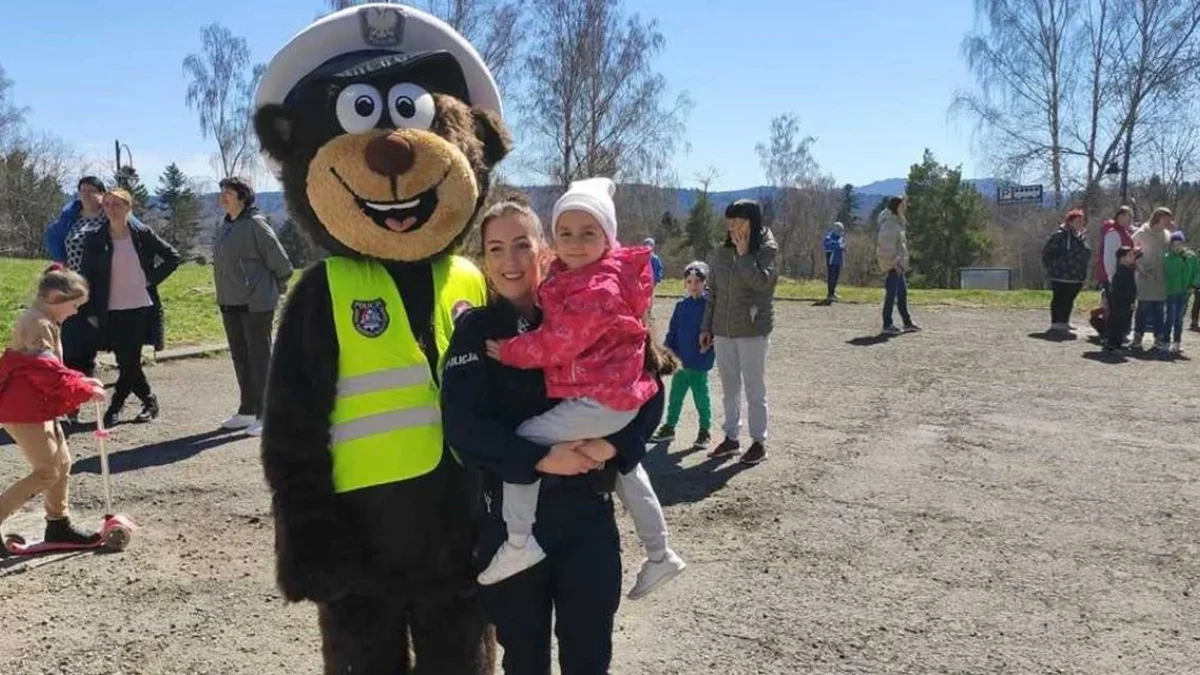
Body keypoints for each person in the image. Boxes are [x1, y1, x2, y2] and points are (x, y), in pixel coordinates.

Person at [441, 196, 669, 673]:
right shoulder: (477, 333)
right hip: (512, 524)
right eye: (496, 249)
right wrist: (539, 459)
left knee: (589, 658)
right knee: (525, 661)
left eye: (522, 245)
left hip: (587, 514)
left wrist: (617, 446)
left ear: (543, 250)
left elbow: (649, 390)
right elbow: (464, 428)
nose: (510, 261)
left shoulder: (591, 302)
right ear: (484, 259)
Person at [480, 179, 685, 596]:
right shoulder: (578, 275)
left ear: (608, 238)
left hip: (603, 398)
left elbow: (561, 342)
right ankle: (660, 552)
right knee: (628, 468)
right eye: (565, 234)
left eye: (588, 234)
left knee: (527, 439)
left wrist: (512, 351)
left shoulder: (599, 289)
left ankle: (518, 541)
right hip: (612, 395)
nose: (573, 244)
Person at [0, 265, 108, 555]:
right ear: (56, 296)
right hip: (23, 410)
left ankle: (58, 523)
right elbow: (44, 372)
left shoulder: (44, 319)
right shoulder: (37, 323)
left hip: (36, 406)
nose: (74, 312)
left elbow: (51, 371)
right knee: (47, 471)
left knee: (61, 465)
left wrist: (81, 380)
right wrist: (83, 388)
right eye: (74, 305)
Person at [78, 189, 181, 428]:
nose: (111, 209)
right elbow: (86, 277)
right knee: (127, 361)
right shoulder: (95, 238)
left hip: (140, 306)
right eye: (107, 204)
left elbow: (172, 257)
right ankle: (149, 399)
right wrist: (89, 310)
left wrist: (151, 278)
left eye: (117, 204)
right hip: (110, 308)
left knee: (129, 360)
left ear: (128, 208)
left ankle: (115, 407)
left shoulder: (142, 234)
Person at [211, 177, 294, 437]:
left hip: (256, 302)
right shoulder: (225, 226)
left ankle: (267, 415)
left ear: (243, 197)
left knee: (259, 358)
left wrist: (276, 288)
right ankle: (247, 410)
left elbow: (281, 262)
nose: (222, 197)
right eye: (221, 192)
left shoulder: (256, 224)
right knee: (241, 356)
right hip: (230, 301)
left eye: (228, 193)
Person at [699, 199, 779, 466]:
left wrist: (745, 255)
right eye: (730, 221)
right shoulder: (721, 252)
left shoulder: (767, 249)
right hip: (723, 330)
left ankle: (758, 442)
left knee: (754, 388)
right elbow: (713, 293)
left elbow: (761, 284)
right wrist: (706, 327)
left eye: (738, 221)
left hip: (752, 329)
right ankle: (731, 438)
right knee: (729, 388)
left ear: (752, 222)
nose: (733, 227)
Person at [44, 177, 109, 391]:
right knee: (71, 345)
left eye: (91, 190)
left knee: (89, 346)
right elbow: (55, 238)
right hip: (72, 289)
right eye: (82, 190)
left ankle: (87, 391)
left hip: (99, 289)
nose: (86, 194)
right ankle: (72, 399)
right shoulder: (71, 218)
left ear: (102, 194)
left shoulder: (108, 217)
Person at [651, 261, 715, 449]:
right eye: (689, 281)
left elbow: (713, 333)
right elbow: (673, 331)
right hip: (680, 361)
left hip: (699, 361)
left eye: (697, 281)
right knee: (675, 397)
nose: (693, 285)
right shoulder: (681, 306)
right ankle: (669, 428)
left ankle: (705, 430)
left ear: (705, 283)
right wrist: (666, 351)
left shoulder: (708, 306)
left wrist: (708, 349)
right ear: (685, 283)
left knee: (701, 398)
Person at [876, 196, 921, 336]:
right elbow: (886, 245)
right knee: (891, 294)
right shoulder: (889, 223)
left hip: (899, 265)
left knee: (902, 293)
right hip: (893, 265)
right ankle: (887, 324)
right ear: (897, 206)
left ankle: (907, 322)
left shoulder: (897, 222)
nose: (905, 208)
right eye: (903, 205)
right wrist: (894, 263)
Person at [1041, 208, 1090, 333]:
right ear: (1070, 222)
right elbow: (1047, 251)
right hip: (1061, 274)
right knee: (1059, 298)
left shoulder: (1081, 237)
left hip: (1076, 275)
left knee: (1070, 298)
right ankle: (1056, 322)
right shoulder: (1060, 236)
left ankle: (1065, 321)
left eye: (1082, 221)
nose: (1080, 224)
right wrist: (1053, 266)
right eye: (1077, 221)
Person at [1131, 207, 1173, 352]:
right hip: (1145, 278)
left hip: (1161, 280)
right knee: (1143, 308)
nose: (1168, 222)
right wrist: (1141, 269)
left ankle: (1158, 338)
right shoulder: (1141, 234)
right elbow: (1132, 254)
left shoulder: (1167, 235)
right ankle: (1137, 337)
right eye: (1166, 218)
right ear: (1158, 218)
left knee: (1160, 311)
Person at [1163, 230, 1199, 354]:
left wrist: (1193, 285)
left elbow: (1196, 272)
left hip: (1184, 292)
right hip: (1170, 291)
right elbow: (1166, 272)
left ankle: (1177, 342)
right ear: (1171, 246)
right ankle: (1165, 341)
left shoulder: (1191, 257)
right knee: (1169, 317)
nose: (1177, 247)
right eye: (1174, 245)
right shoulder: (1167, 258)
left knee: (1179, 318)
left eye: (1179, 244)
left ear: (1183, 244)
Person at [1104, 247, 1140, 353]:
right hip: (1120, 302)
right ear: (1122, 258)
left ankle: (1116, 343)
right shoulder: (1122, 272)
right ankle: (1114, 344)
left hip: (1124, 301)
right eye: (1129, 255)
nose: (1133, 257)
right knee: (1117, 323)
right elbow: (1126, 289)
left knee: (1122, 322)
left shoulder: (1127, 270)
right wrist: (1131, 300)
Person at [1096, 205, 1136, 299]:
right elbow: (1109, 258)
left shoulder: (1124, 232)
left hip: (1122, 275)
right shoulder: (1113, 233)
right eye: (1129, 216)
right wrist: (1112, 278)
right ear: (1120, 216)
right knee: (1115, 307)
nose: (1131, 219)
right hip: (1114, 278)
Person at [823, 222, 846, 302]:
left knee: (836, 277)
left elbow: (843, 245)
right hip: (831, 260)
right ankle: (830, 294)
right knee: (831, 277)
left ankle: (833, 293)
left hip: (838, 260)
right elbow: (827, 246)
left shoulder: (841, 237)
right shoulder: (829, 237)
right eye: (839, 229)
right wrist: (837, 245)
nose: (840, 231)